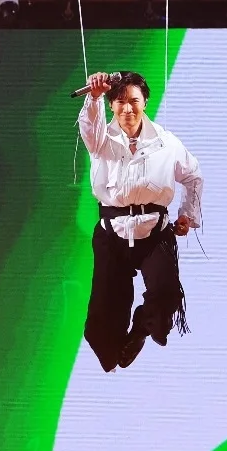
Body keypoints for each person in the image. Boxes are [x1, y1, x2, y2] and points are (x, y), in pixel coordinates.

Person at [78, 70, 203, 371]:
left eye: (134, 101)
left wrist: (186, 215)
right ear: (111, 105)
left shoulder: (166, 142)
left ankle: (141, 329)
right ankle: (115, 351)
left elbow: (193, 176)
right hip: (113, 235)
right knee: (102, 322)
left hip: (154, 234)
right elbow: (90, 127)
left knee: (166, 300)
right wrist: (94, 96)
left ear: (145, 102)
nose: (127, 108)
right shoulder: (101, 139)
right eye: (120, 102)